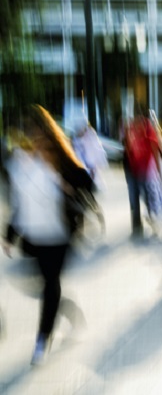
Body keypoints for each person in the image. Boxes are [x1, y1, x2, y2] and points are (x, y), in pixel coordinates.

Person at [2, 105, 93, 365]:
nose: (36, 144)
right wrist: (10, 235)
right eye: (31, 138)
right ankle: (68, 311)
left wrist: (67, 187)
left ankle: (43, 339)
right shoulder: (20, 166)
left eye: (41, 139)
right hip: (34, 238)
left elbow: (86, 183)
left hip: (60, 238)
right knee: (40, 286)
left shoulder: (61, 164)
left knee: (51, 284)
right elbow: (20, 203)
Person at [122, 106, 162, 239]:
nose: (135, 121)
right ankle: (136, 227)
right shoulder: (130, 128)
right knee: (133, 199)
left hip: (146, 170)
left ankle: (155, 222)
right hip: (132, 169)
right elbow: (128, 149)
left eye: (138, 118)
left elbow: (155, 150)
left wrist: (158, 171)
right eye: (134, 119)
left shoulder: (148, 129)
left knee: (148, 198)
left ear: (142, 118)